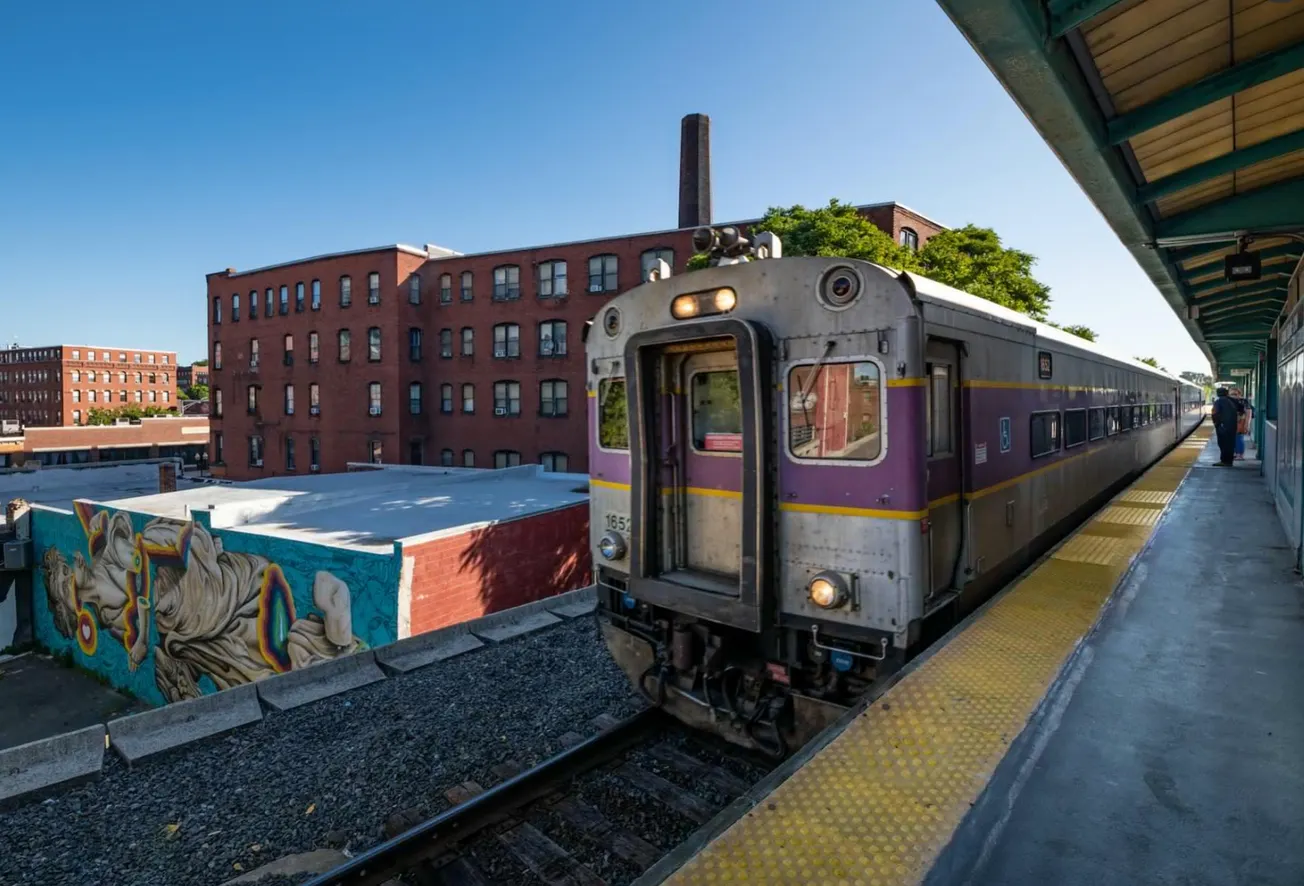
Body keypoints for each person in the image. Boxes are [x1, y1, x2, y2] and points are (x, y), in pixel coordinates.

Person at [1211, 386, 1238, 466]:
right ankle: (1229, 461)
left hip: (1222, 426)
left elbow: (1214, 413)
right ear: (1226, 393)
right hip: (1232, 426)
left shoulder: (1218, 402)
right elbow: (1241, 409)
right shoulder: (1232, 401)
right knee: (1230, 444)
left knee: (1223, 443)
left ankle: (1224, 461)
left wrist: (1216, 424)